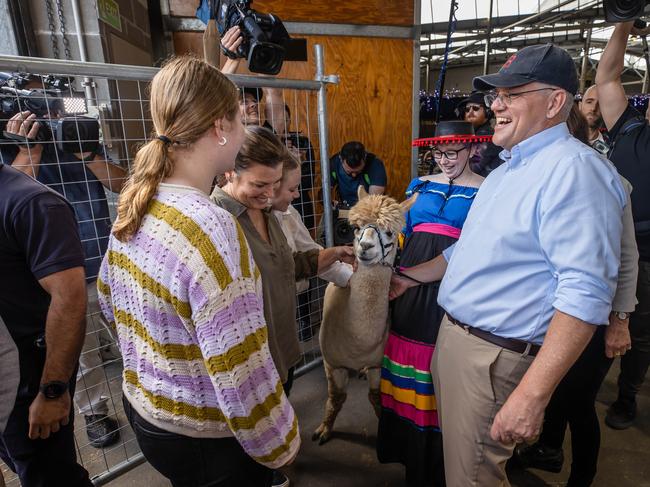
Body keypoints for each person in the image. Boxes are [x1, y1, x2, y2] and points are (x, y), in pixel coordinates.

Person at [389, 44, 626, 486]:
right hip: (458, 342)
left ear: (555, 102)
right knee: (461, 464)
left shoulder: (575, 172)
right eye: (498, 95)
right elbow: (468, 253)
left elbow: (584, 294)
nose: (496, 104)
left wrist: (533, 395)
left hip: (493, 358)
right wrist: (407, 278)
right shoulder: (507, 170)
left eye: (512, 94)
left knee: (473, 476)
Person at [97, 56, 300, 486]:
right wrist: (279, 442)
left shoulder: (139, 202)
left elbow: (109, 301)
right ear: (218, 128)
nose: (245, 130)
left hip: (149, 416)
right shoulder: (210, 225)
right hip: (204, 434)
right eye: (241, 119)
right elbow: (238, 361)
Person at [211, 125, 354, 487]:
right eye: (260, 185)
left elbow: (287, 265)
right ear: (230, 171)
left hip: (279, 349)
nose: (270, 193)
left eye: (276, 184)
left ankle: (266, 469)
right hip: (250, 361)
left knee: (271, 431)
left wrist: (329, 254)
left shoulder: (270, 215)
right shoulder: (218, 221)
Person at [513, 104, 638, 486]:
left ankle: (582, 478)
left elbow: (627, 258)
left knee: (578, 402)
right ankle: (549, 450)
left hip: (591, 317)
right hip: (547, 313)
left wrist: (619, 321)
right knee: (552, 391)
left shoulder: (605, 179)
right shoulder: (531, 176)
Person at [1, 73, 127, 448]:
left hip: (106, 259)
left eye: (46, 103)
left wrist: (86, 152)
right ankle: (94, 411)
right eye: (31, 105)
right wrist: (29, 151)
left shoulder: (74, 134)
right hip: (54, 275)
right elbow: (12, 207)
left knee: (132, 334)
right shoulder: (9, 152)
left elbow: (124, 184)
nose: (41, 113)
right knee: (79, 354)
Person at [376, 121, 485, 487]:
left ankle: (440, 459)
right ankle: (408, 450)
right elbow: (400, 230)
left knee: (441, 360)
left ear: (471, 149)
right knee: (406, 355)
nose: (445, 160)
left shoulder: (486, 190)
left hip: (452, 286)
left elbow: (476, 247)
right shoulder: (418, 184)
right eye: (438, 153)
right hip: (406, 282)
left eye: (452, 152)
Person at [0, 163, 92, 486]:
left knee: (51, 477)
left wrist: (53, 391)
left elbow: (70, 300)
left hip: (29, 389)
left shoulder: (31, 203)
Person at [595, 20, 650, 431]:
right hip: (610, 247)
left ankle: (627, 395)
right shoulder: (629, 130)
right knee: (596, 320)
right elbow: (607, 77)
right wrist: (625, 21)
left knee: (641, 334)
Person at [271, 151, 354, 342]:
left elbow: (311, 253)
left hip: (284, 311)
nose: (297, 195)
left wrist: (352, 278)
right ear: (271, 185)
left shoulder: (289, 214)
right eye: (292, 189)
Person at [456, 92, 502, 177]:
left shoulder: (486, 137)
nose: (470, 112)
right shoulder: (476, 134)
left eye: (475, 108)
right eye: (467, 109)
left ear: (487, 113)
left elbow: (472, 168)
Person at [329, 141, 387, 206]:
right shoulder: (334, 164)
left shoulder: (375, 165)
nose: (354, 175)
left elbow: (374, 202)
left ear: (365, 157)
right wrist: (331, 203)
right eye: (349, 172)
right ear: (340, 159)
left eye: (358, 171)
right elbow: (324, 193)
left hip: (368, 209)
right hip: (344, 206)